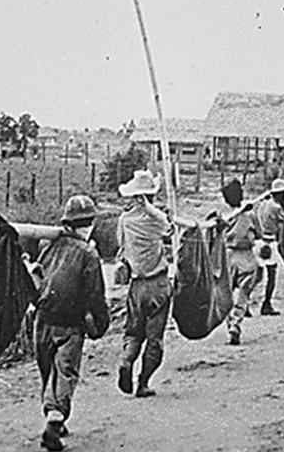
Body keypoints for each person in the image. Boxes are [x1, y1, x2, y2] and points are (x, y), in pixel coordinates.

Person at [33, 195, 110, 451]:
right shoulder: (88, 253)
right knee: (65, 371)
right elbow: (95, 294)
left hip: (42, 320)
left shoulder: (49, 244)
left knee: (48, 370)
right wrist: (101, 322)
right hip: (70, 323)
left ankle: (54, 416)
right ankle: (54, 423)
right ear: (88, 225)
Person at [116, 170, 173, 398]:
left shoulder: (124, 220)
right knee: (154, 338)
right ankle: (143, 383)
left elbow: (121, 251)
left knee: (133, 332)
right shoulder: (155, 221)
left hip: (136, 285)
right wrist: (152, 209)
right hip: (158, 283)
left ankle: (126, 360)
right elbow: (169, 228)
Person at [221, 180, 259, 345]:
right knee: (244, 293)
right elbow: (259, 232)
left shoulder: (223, 216)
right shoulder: (249, 215)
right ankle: (236, 323)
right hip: (246, 256)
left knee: (226, 294)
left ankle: (230, 323)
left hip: (227, 256)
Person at [252, 178, 284, 315]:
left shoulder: (263, 204)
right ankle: (266, 304)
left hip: (258, 241)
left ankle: (245, 303)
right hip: (269, 242)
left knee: (256, 275)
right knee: (271, 275)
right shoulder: (277, 207)